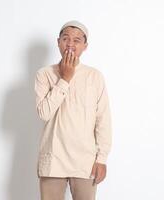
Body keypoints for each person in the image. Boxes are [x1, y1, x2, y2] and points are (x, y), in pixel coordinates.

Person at [34, 20, 112, 200]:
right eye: (65, 38)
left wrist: (102, 158)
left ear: (85, 46)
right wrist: (65, 79)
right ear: (58, 42)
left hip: (85, 160)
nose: (70, 44)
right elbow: (44, 113)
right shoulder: (44, 74)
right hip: (53, 158)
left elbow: (103, 119)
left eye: (77, 40)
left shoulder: (94, 76)